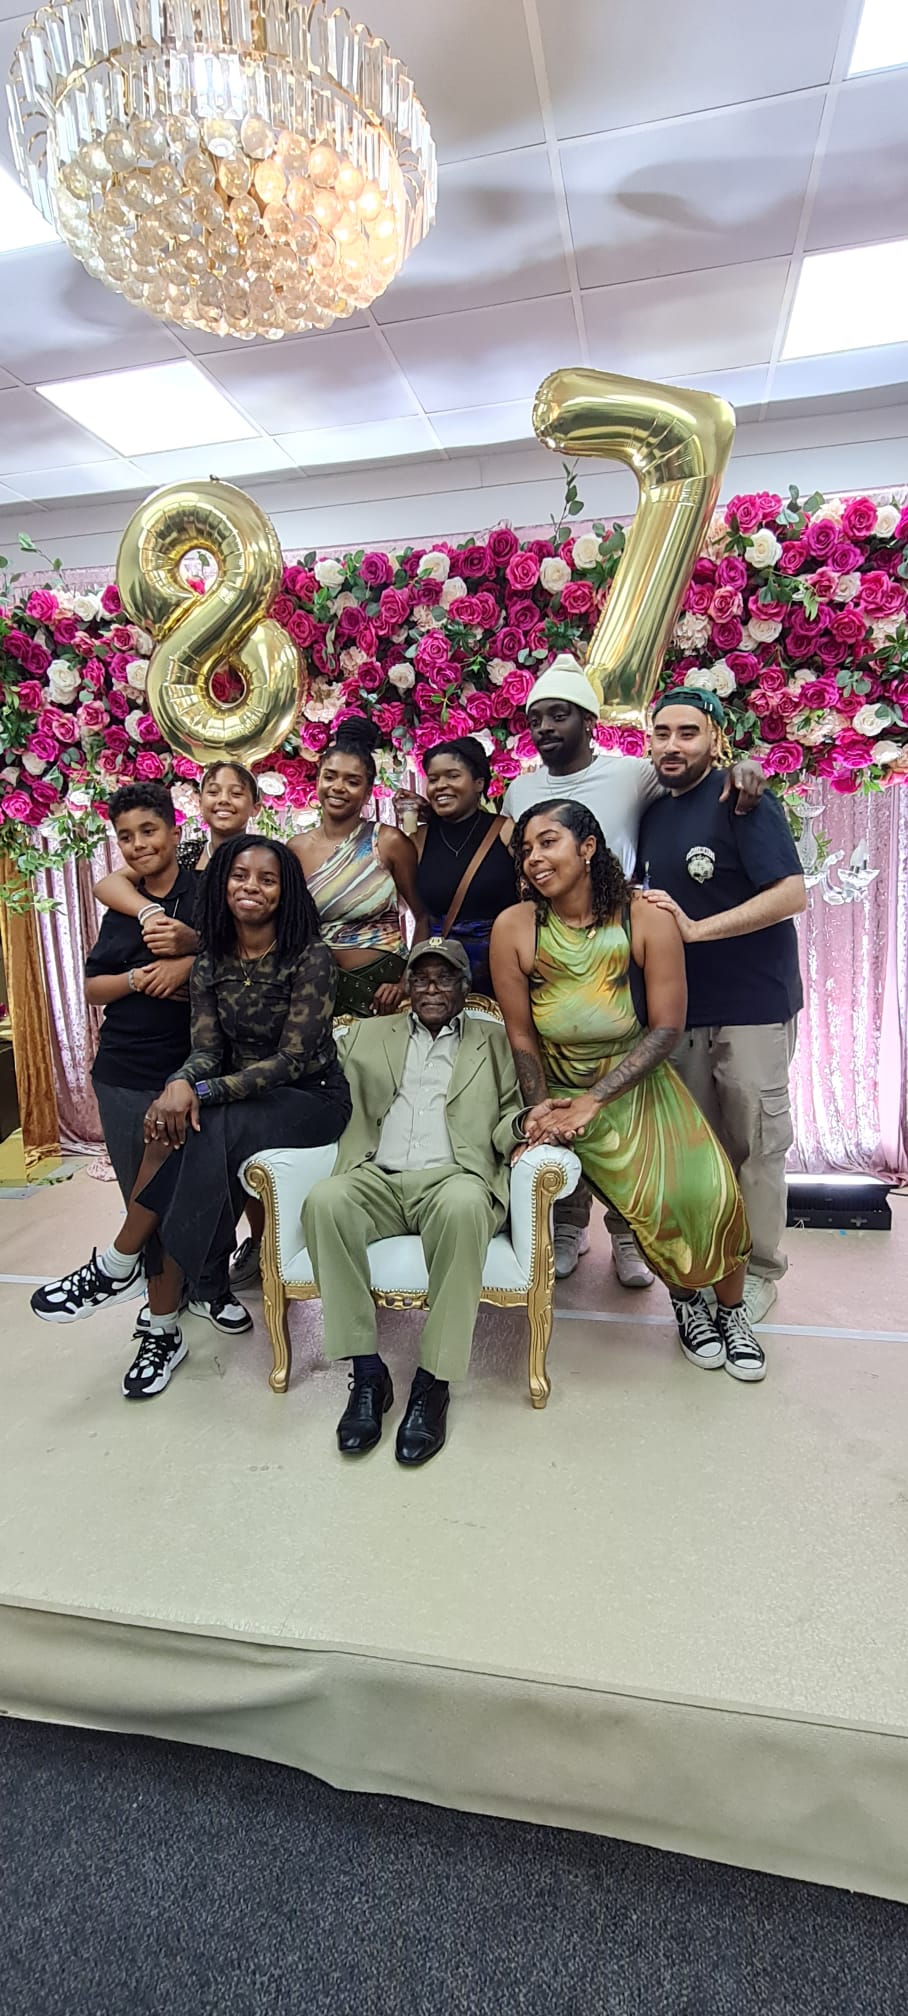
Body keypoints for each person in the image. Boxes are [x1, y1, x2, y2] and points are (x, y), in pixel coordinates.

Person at [32, 836, 351, 1400]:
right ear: (222, 884)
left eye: (268, 879)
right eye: (240, 876)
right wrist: (181, 1082)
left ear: (285, 893)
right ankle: (160, 1325)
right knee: (170, 1131)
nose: (251, 887)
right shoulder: (210, 960)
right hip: (241, 1099)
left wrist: (200, 1090)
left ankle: (119, 1263)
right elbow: (206, 1047)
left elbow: (293, 1060)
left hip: (310, 1100)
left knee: (201, 1124)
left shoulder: (310, 956)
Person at [500, 653, 766, 1290]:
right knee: (560, 1081)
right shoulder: (519, 791)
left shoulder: (632, 773)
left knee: (679, 1167)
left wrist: (742, 765)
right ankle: (569, 1226)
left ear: (588, 721)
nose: (546, 727)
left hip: (619, 946)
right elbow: (521, 1034)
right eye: (536, 718)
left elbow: (689, 775)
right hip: (555, 952)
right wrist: (542, 1111)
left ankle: (631, 1235)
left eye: (559, 715)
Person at [490, 801, 766, 1381]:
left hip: (635, 1084)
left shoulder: (644, 917)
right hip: (559, 1088)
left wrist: (596, 1100)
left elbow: (666, 1027)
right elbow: (520, 1033)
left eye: (548, 842)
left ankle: (731, 1312)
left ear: (588, 847)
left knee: (708, 1191)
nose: (534, 858)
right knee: (649, 1210)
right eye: (526, 850)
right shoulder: (514, 926)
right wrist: (541, 1108)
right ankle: (688, 1304)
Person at [302, 937, 525, 1466]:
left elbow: (509, 1114)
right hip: (375, 1177)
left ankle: (432, 1383)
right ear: (405, 986)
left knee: (466, 1206)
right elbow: (322, 1091)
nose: (431, 988)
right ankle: (367, 1374)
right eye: (420, 978)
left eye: (444, 978)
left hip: (452, 1178)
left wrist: (526, 1130)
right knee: (325, 1200)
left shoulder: (494, 1042)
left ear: (464, 988)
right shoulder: (364, 1035)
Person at [639, 688, 806, 1323]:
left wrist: (696, 930)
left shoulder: (743, 800)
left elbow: (790, 894)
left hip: (752, 1007)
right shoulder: (653, 811)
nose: (672, 745)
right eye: (662, 733)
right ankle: (715, 1266)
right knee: (700, 1153)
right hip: (683, 1014)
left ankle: (760, 1270)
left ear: (714, 739)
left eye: (687, 732)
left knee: (757, 1147)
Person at [93, 758, 264, 1293]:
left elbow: (258, 950)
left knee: (215, 1179)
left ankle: (213, 1280)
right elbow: (106, 887)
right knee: (147, 1184)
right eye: (213, 789)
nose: (139, 843)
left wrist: (191, 957)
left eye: (236, 791)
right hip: (130, 1061)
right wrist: (144, 947)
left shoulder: (246, 871)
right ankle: (159, 1297)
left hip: (209, 1052)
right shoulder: (164, 873)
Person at [83, 782, 199, 1333]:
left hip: (189, 1067)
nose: (138, 845)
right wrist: (137, 978)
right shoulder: (123, 903)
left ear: (175, 833)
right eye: (125, 837)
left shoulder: (207, 892)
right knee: (141, 1199)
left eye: (148, 831)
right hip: (123, 1071)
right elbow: (93, 988)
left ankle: (177, 1301)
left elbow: (243, 957)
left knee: (179, 1197)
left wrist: (188, 962)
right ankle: (161, 1319)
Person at [291, 718, 427, 1016]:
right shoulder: (295, 849)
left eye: (352, 781)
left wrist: (406, 981)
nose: (338, 787)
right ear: (318, 781)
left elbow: (423, 916)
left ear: (367, 793)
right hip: (317, 991)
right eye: (330, 777)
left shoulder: (388, 842)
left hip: (384, 992)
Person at [394, 737, 518, 996]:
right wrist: (407, 977)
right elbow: (421, 918)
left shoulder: (506, 831)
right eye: (433, 779)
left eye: (452, 776)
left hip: (502, 966)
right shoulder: (419, 839)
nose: (441, 785)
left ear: (478, 783)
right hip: (441, 976)